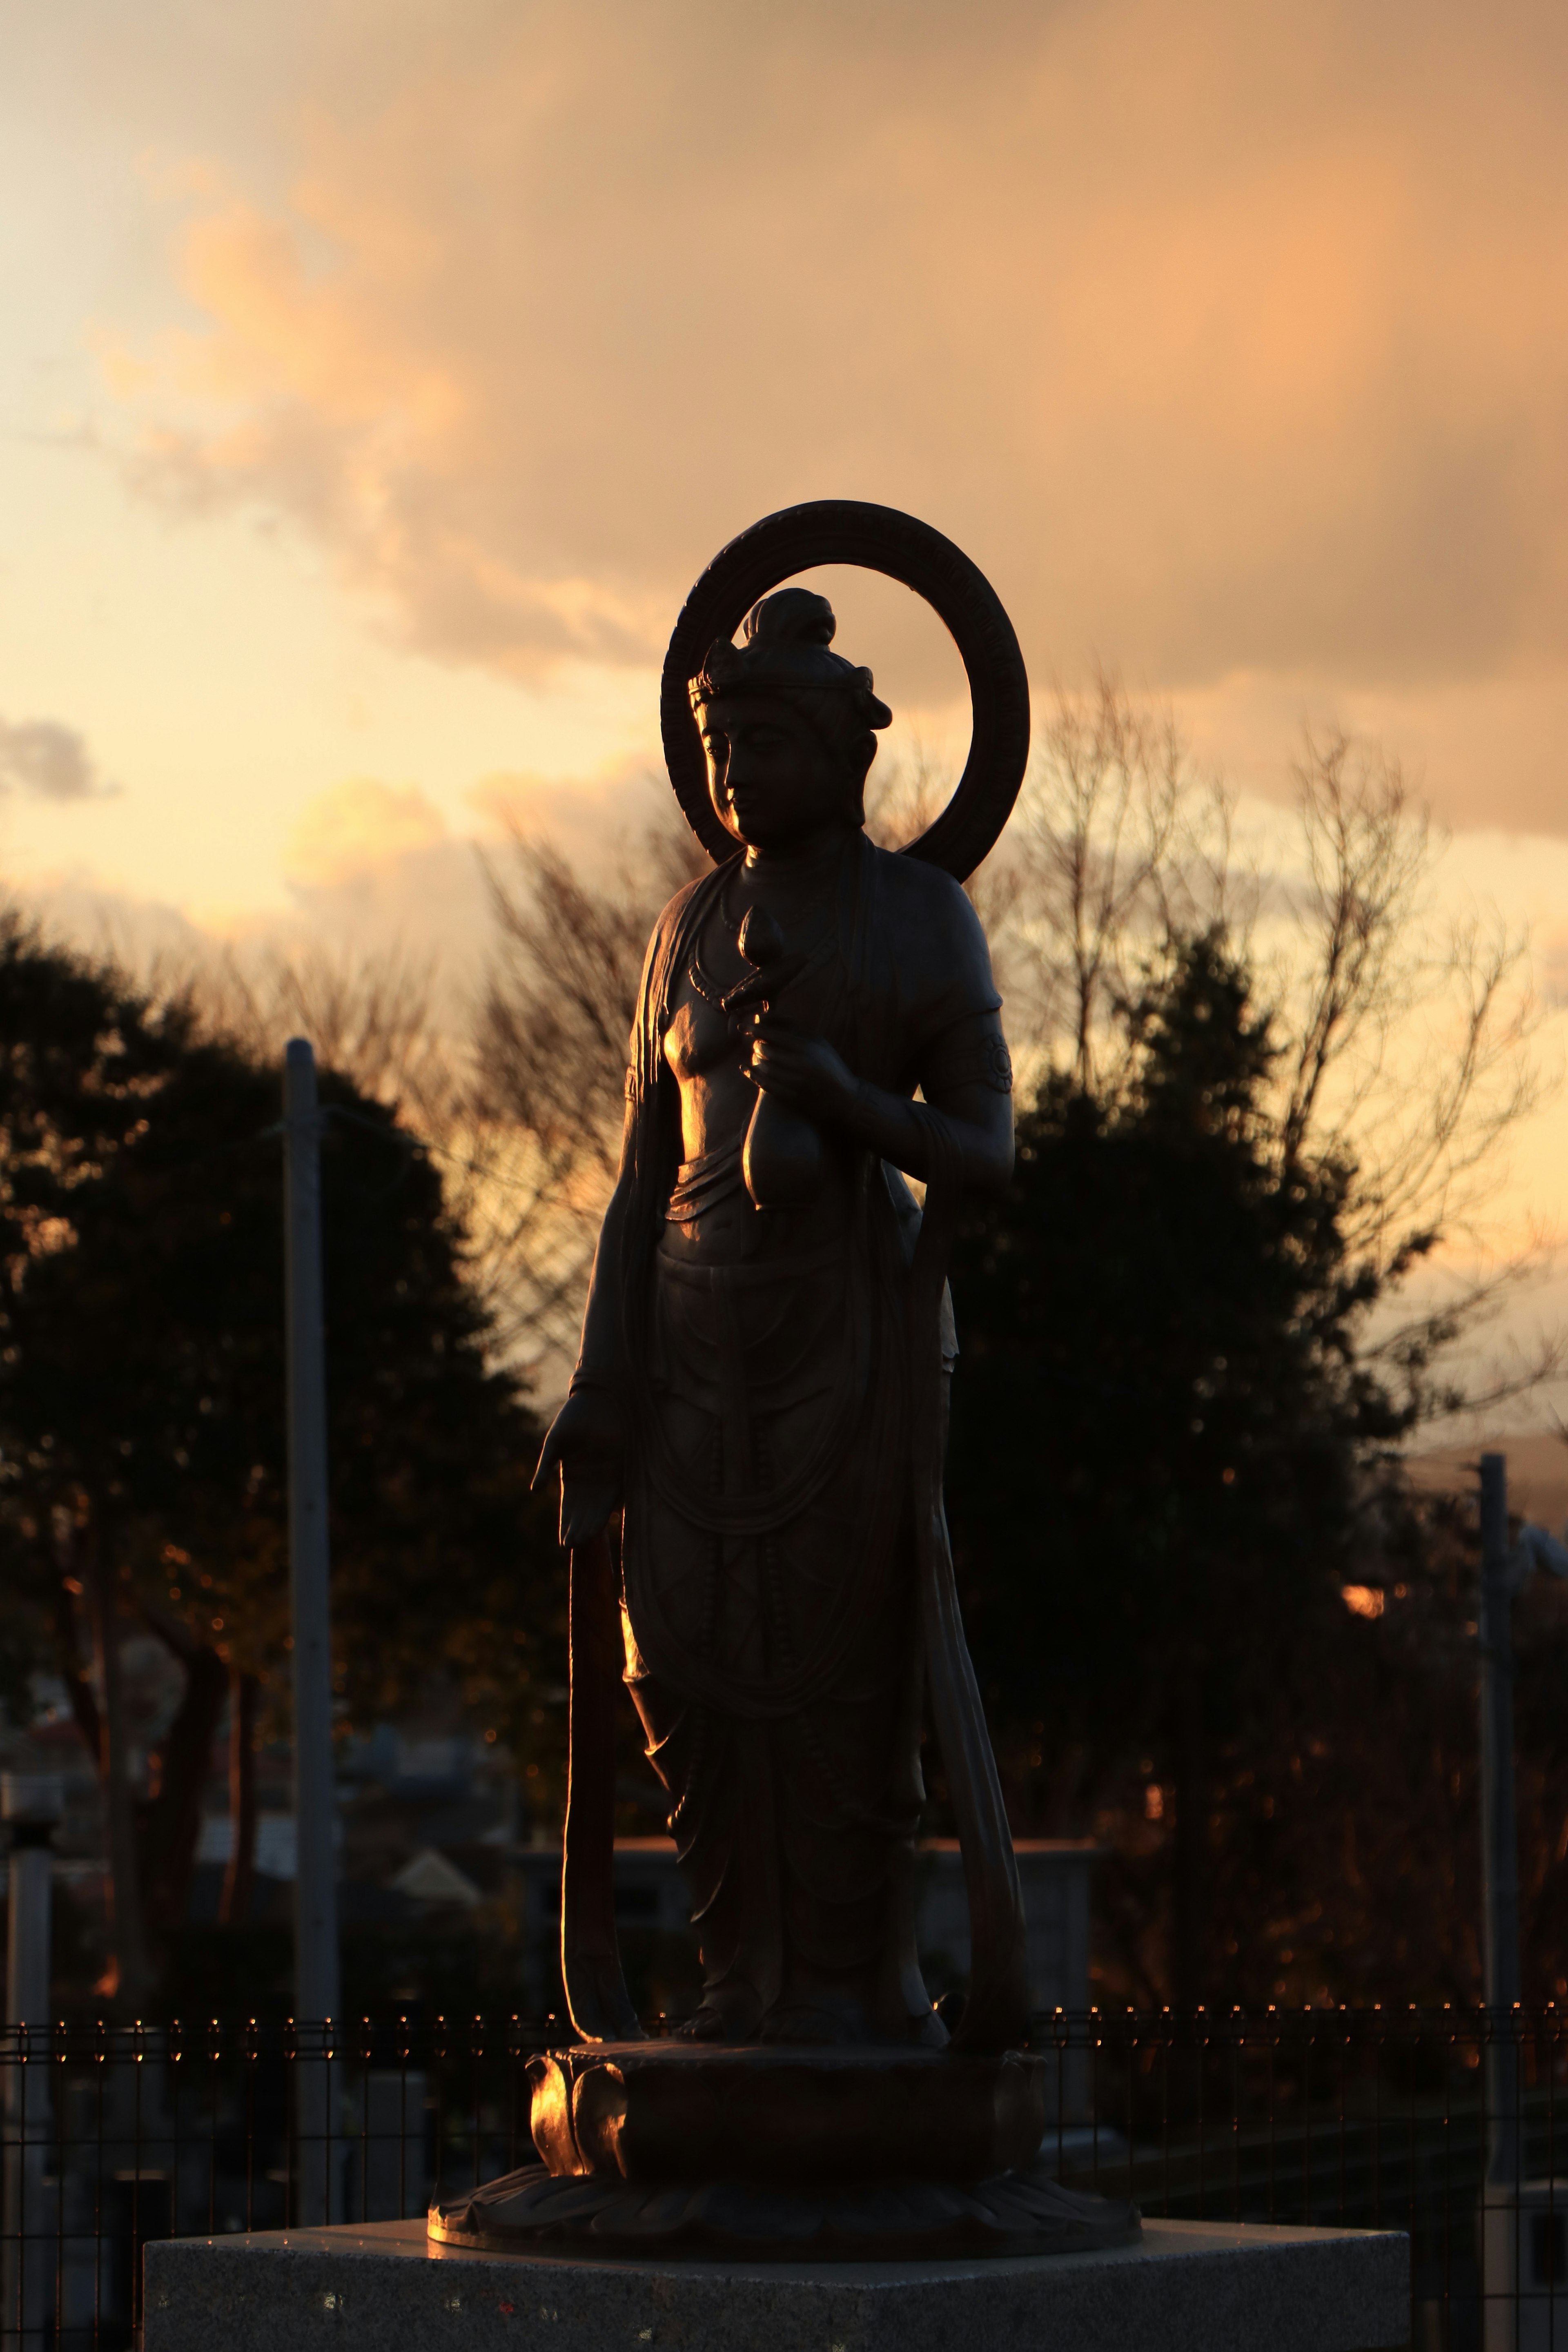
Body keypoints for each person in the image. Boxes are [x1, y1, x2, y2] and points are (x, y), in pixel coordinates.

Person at [535, 586, 1018, 2047]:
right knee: (679, 1659)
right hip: (688, 1333)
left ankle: (855, 1998)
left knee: (842, 1672)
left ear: (846, 754)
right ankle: (738, 1984)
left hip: (848, 1336)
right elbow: (633, 1179)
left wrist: (854, 1103)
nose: (741, 773)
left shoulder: (920, 920)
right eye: (723, 745)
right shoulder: (689, 923)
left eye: (769, 742)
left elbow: (987, 1146)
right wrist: (600, 1381)